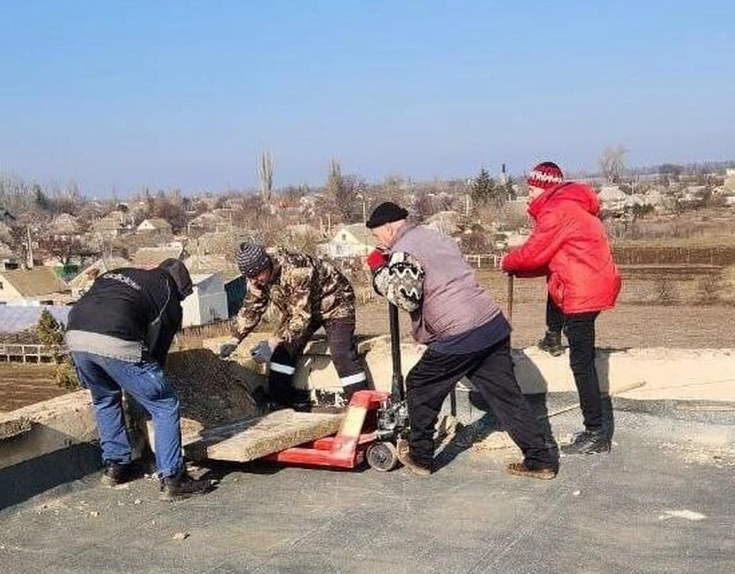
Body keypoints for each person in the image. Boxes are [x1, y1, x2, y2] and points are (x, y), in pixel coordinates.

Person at [365, 201, 559, 479]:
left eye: (376, 234)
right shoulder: (435, 236)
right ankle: (540, 459)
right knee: (507, 398)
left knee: (421, 384)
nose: (377, 241)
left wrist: (378, 272)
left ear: (388, 226)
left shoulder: (403, 251)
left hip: (459, 332)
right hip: (491, 323)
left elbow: (406, 298)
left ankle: (420, 456)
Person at [65, 258, 214, 501]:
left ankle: (116, 467)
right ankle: (173, 478)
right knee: (165, 403)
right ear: (181, 287)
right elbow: (157, 355)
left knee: (105, 398)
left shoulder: (119, 273)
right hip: (115, 337)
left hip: (76, 335)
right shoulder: (169, 295)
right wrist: (148, 389)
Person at [501, 161, 621, 455]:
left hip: (583, 290)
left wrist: (508, 261)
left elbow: (531, 255)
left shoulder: (557, 211)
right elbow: (546, 260)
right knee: (553, 286)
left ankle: (596, 433)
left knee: (581, 362)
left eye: (530, 189)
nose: (527, 195)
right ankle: (553, 336)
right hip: (586, 280)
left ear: (543, 187)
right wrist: (519, 267)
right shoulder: (570, 205)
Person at [218, 243, 368, 409]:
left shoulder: (297, 270)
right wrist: (234, 339)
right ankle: (281, 403)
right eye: (250, 277)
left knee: (341, 352)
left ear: (265, 265)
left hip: (336, 303)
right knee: (282, 353)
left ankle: (362, 407)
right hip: (300, 308)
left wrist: (272, 342)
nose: (255, 281)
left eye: (256, 275)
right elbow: (252, 307)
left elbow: (301, 318)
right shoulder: (257, 277)